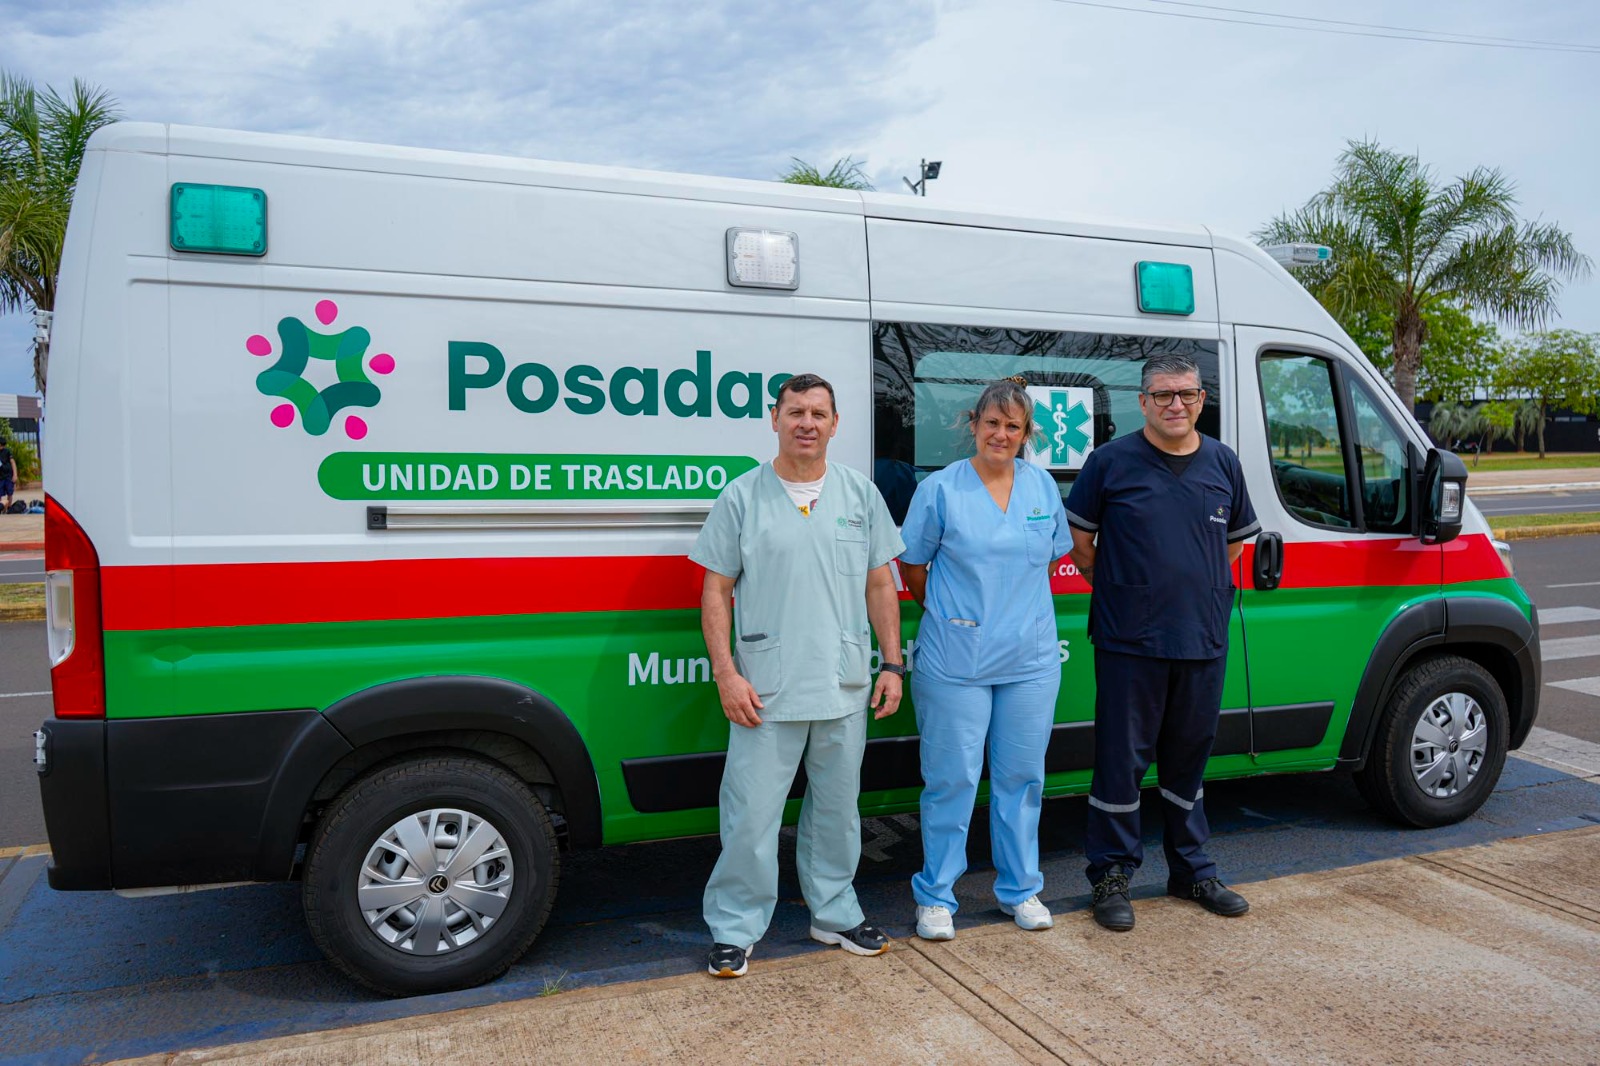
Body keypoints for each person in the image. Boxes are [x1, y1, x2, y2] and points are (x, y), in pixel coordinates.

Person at [689, 372, 907, 979]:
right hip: (765, 686)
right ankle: (735, 927)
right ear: (775, 419)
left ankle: (834, 913)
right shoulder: (742, 496)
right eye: (795, 412)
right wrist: (726, 674)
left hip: (842, 682)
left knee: (838, 812)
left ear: (836, 424)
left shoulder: (859, 494)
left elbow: (878, 584)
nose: (807, 422)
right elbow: (716, 588)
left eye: (818, 413)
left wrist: (892, 663)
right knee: (751, 815)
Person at [1065, 354, 1259, 931]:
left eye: (1188, 394)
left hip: (1201, 638)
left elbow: (1230, 548)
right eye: (1164, 394)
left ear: (1202, 399)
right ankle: (1111, 875)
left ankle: (1192, 870)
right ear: (1143, 401)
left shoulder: (1223, 462)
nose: (1177, 404)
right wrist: (1132, 593)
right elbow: (1081, 543)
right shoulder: (1109, 462)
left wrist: (1190, 593)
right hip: (1130, 640)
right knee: (1121, 763)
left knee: (1188, 760)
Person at [898, 377, 1072, 941]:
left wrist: (1012, 617)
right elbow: (915, 570)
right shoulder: (941, 490)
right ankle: (936, 895)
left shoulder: (1042, 487)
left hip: (1030, 659)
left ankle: (1020, 889)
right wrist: (957, 617)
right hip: (956, 659)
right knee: (951, 778)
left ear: (1026, 435)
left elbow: (1045, 565)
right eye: (992, 423)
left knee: (1022, 778)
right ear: (973, 424)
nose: (1001, 434)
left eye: (1013, 426)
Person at [0, 439, 15, 514]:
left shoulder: (7, 451)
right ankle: (1, 508)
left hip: (8, 476)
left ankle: (8, 508)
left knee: (10, 492)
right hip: (0, 477)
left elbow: (12, 463)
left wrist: (15, 475)